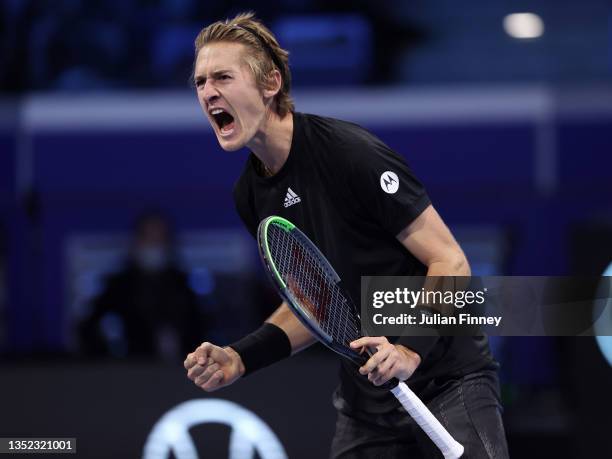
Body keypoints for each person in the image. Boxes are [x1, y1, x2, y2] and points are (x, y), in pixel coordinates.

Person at [183, 12, 509, 458]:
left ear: (271, 83)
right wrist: (241, 358)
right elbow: (314, 306)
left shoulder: (348, 153)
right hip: (368, 401)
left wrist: (408, 350)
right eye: (200, 82)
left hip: (447, 382)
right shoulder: (250, 195)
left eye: (222, 76)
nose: (208, 92)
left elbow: (450, 262)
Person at [80, 212, 202, 359]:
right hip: (131, 367)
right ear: (137, 240)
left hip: (181, 368)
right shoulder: (119, 285)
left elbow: (201, 326)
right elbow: (90, 326)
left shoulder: (182, 282)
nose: (154, 244)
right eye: (149, 238)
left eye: (159, 239)